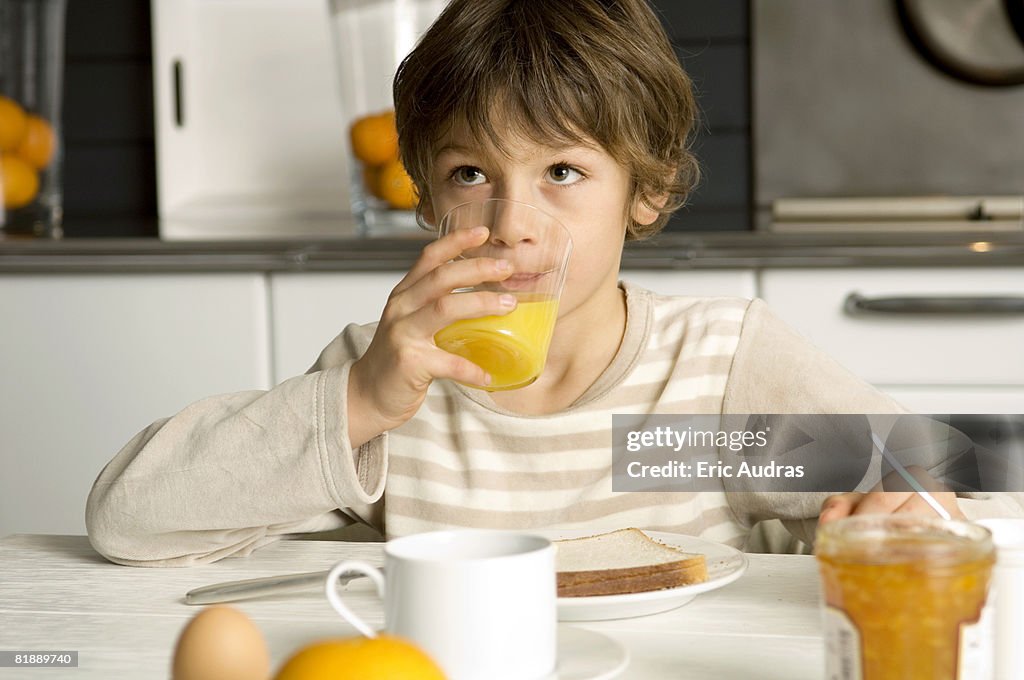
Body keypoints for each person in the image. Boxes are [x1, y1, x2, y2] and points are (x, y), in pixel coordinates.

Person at [86, 0, 1021, 566]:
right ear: (426, 199)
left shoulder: (707, 382)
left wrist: (902, 507)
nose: (512, 222)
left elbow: (954, 484)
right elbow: (129, 522)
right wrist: (361, 401)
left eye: (562, 173)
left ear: (644, 193)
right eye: (470, 174)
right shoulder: (389, 385)